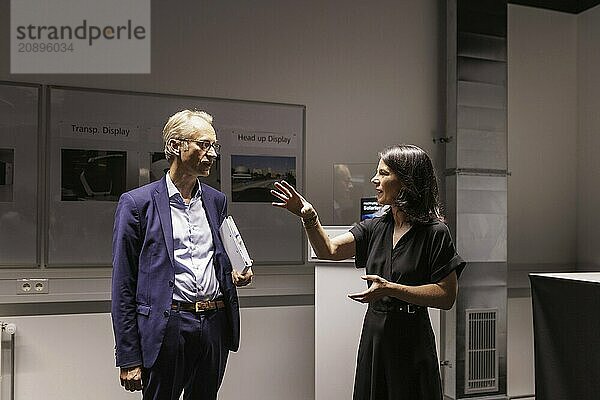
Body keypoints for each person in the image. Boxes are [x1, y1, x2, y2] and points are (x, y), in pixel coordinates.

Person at [271, 144, 465, 400]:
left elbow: (446, 295)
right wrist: (309, 217)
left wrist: (392, 289)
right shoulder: (375, 226)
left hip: (412, 337)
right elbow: (329, 250)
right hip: (375, 334)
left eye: (384, 174)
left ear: (407, 182)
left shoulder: (434, 232)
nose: (375, 180)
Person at [111, 109, 254, 400]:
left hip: (214, 322)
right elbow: (123, 283)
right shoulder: (137, 204)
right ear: (175, 146)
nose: (212, 153)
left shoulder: (216, 201)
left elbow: (219, 254)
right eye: (203, 144)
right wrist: (128, 356)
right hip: (169, 326)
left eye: (214, 146)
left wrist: (234, 272)